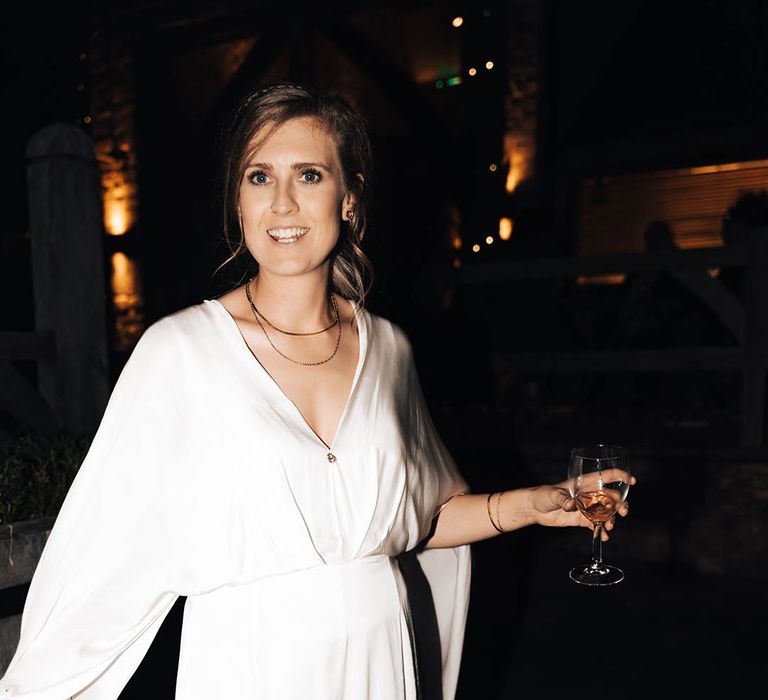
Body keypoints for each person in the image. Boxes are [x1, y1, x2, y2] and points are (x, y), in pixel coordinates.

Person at [0, 82, 634, 700]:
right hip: (251, 662)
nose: (282, 204)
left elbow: (415, 517)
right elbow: (101, 547)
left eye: (308, 175)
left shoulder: (390, 349)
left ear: (348, 198)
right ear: (238, 202)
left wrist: (537, 502)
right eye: (258, 177)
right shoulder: (180, 351)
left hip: (385, 656)